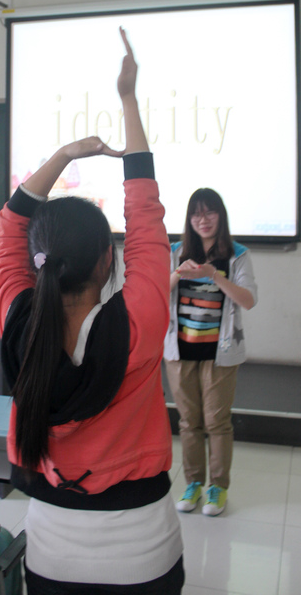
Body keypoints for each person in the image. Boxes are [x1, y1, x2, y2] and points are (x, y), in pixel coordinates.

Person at [0, 28, 184, 595]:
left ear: (38, 263)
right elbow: (146, 213)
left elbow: (9, 227)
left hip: (51, 555)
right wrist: (128, 97)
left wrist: (65, 155)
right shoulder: (137, 325)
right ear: (108, 261)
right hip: (143, 554)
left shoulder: (19, 326)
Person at [164, 188, 258, 517]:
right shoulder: (175, 252)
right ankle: (193, 483)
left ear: (221, 215)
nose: (202, 220)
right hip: (180, 351)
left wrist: (213, 275)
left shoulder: (237, 254)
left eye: (209, 212)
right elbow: (156, 291)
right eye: (196, 213)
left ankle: (218, 487)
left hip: (220, 352)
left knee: (217, 422)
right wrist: (178, 273)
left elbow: (248, 300)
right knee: (189, 423)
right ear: (189, 219)